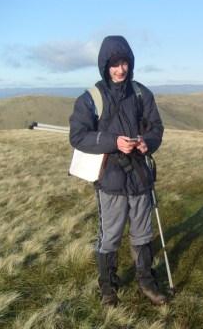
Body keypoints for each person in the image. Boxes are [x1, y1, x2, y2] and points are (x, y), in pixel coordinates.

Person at [69, 35, 166, 307]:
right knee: (110, 235)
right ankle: (108, 287)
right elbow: (77, 136)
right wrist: (114, 142)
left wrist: (149, 142)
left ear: (130, 63)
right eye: (114, 64)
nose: (120, 69)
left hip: (140, 177)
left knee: (143, 233)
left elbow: (156, 128)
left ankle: (146, 280)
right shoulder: (91, 99)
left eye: (124, 62)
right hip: (110, 178)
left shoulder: (142, 94)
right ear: (104, 65)